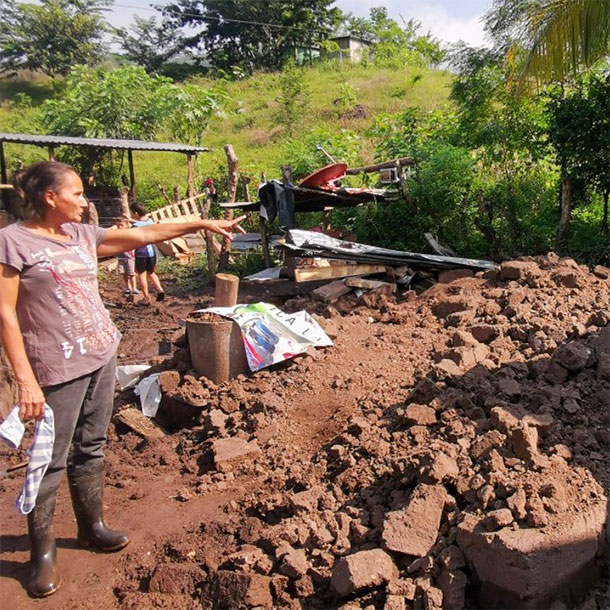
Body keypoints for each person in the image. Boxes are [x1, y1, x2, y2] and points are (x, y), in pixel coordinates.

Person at [0, 161, 245, 598]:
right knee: (49, 460)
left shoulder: (80, 235)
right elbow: (5, 314)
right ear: (49, 197)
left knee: (92, 445)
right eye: (76, 194)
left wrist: (205, 221)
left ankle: (91, 526)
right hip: (56, 367)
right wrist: (26, 381)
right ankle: (42, 553)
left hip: (101, 354)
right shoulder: (12, 242)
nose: (84, 201)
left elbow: (147, 234)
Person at [129, 202, 165, 303]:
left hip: (141, 252)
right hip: (152, 252)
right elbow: (142, 223)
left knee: (142, 274)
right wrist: (129, 220)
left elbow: (133, 238)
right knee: (152, 272)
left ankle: (146, 298)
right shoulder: (150, 221)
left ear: (136, 213)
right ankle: (159, 289)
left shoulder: (135, 227)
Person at [111, 217, 138, 296]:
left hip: (129, 257)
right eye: (118, 225)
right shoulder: (116, 234)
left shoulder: (128, 233)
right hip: (120, 257)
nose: (120, 227)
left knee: (131, 273)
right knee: (124, 273)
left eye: (121, 225)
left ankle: (134, 288)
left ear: (126, 225)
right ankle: (128, 287)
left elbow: (136, 227)